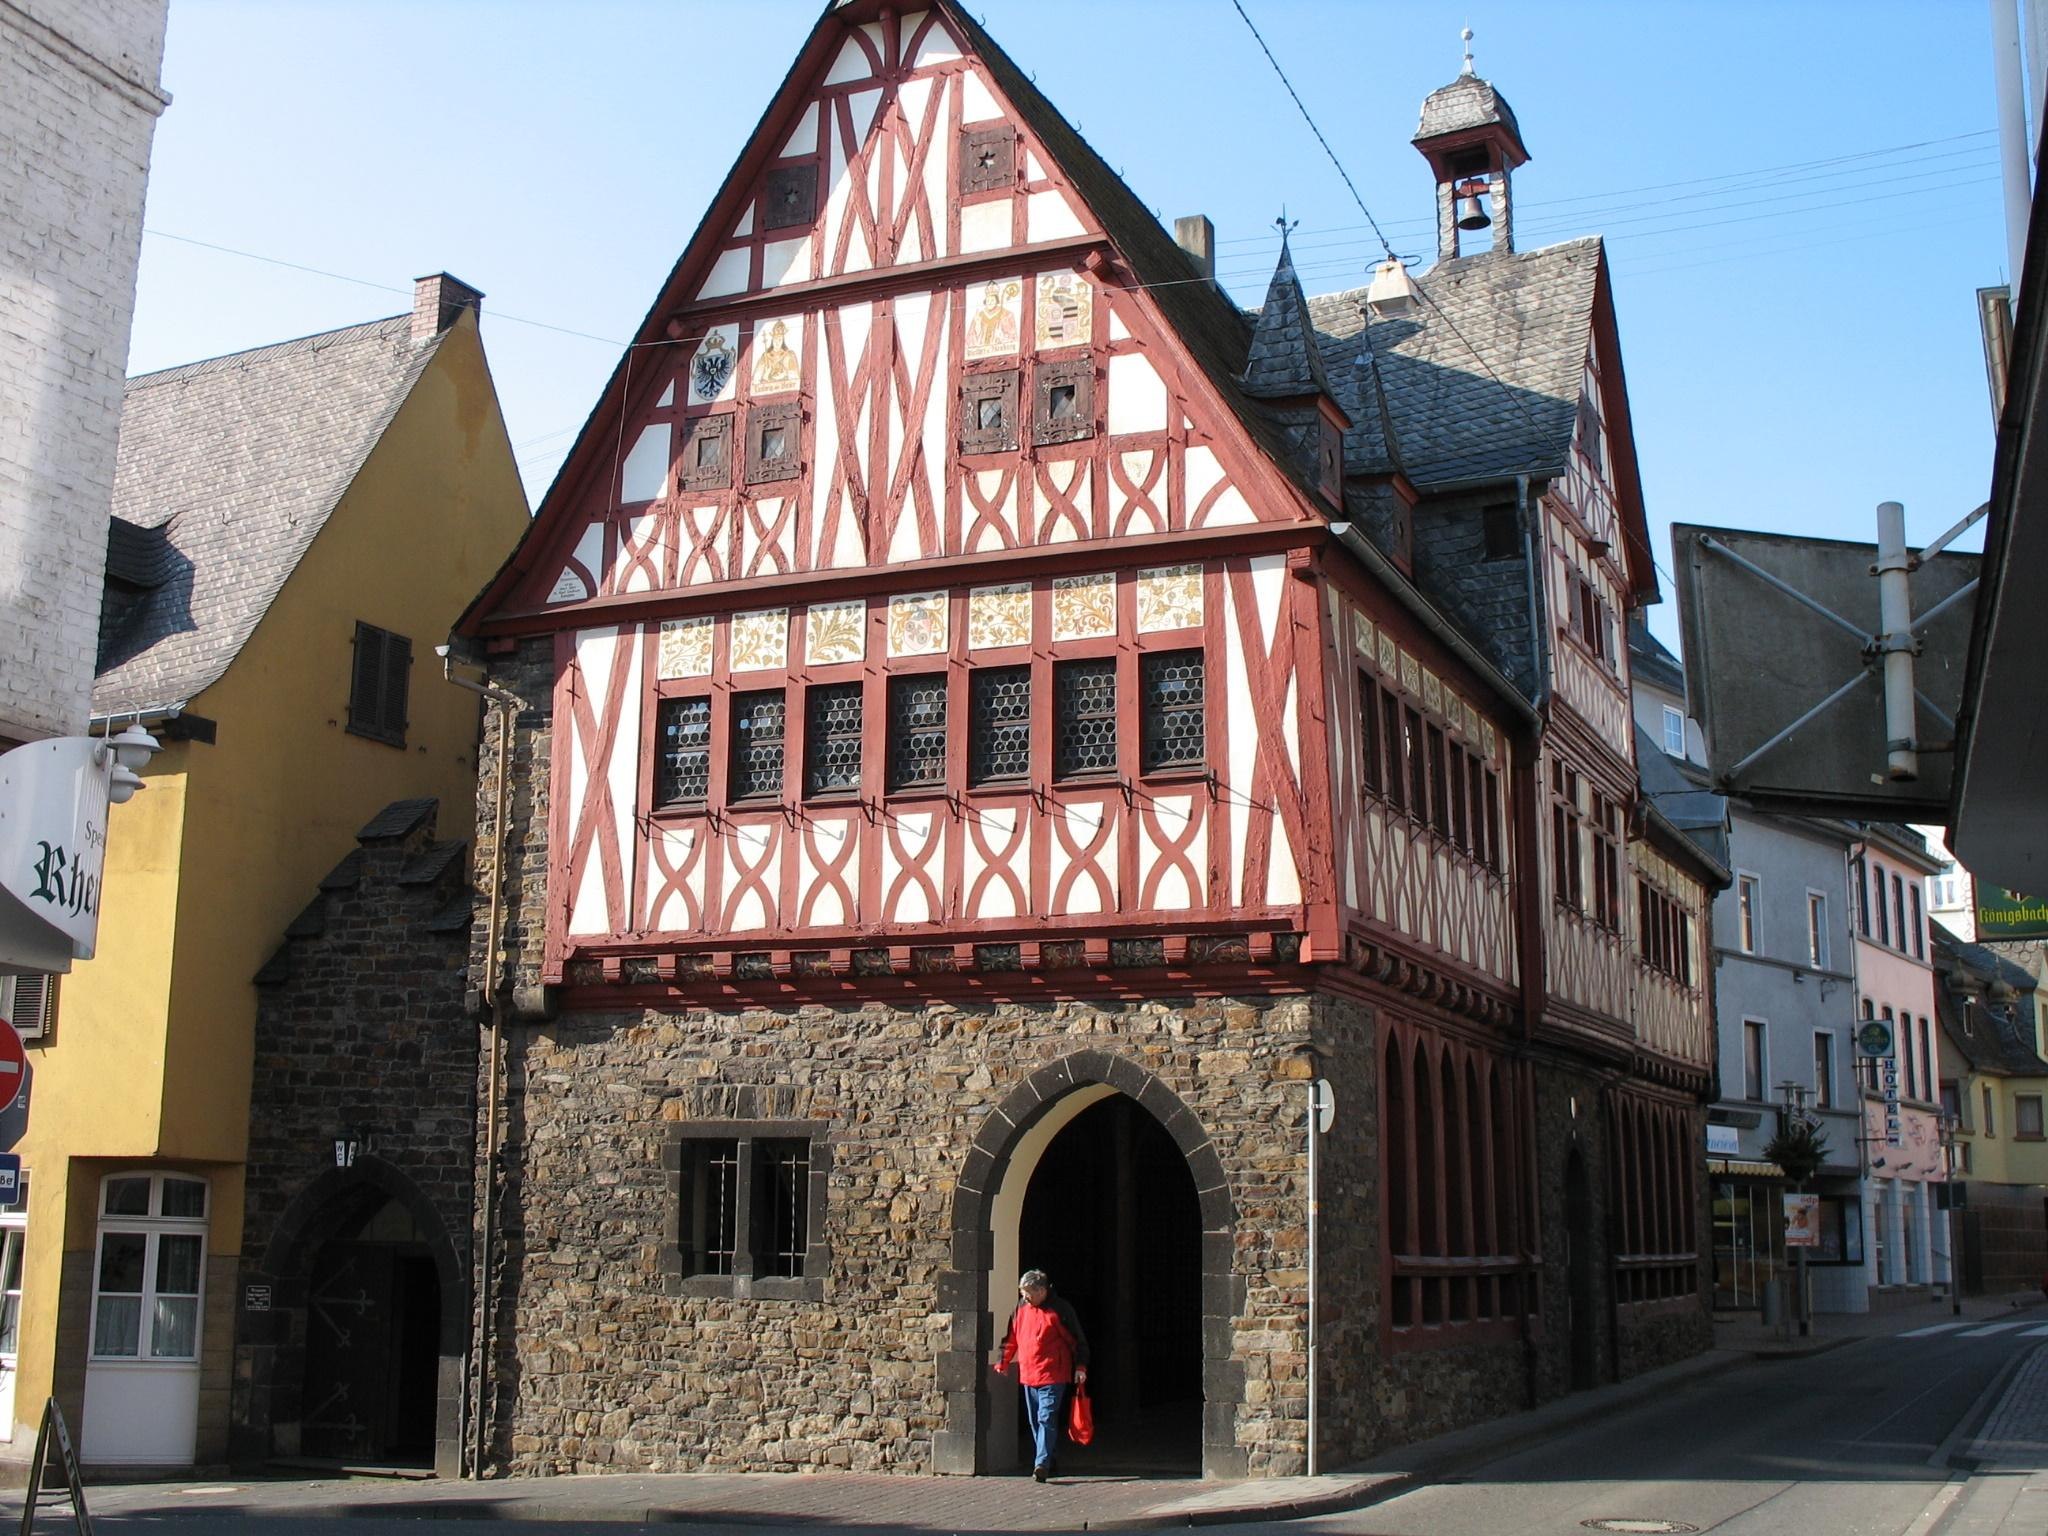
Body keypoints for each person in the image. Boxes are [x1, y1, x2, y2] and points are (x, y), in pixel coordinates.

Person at [993, 1269, 1089, 1481]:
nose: (1025, 1296)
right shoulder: (1020, 1308)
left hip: (1053, 1374)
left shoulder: (1060, 1310)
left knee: (1046, 1417)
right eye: (1023, 1292)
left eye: (1028, 1292)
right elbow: (1012, 1336)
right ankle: (1049, 1459)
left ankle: (1041, 1464)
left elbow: (1076, 1340)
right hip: (1029, 1374)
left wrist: (1080, 1367)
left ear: (1042, 1291)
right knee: (1035, 1421)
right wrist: (1003, 1360)